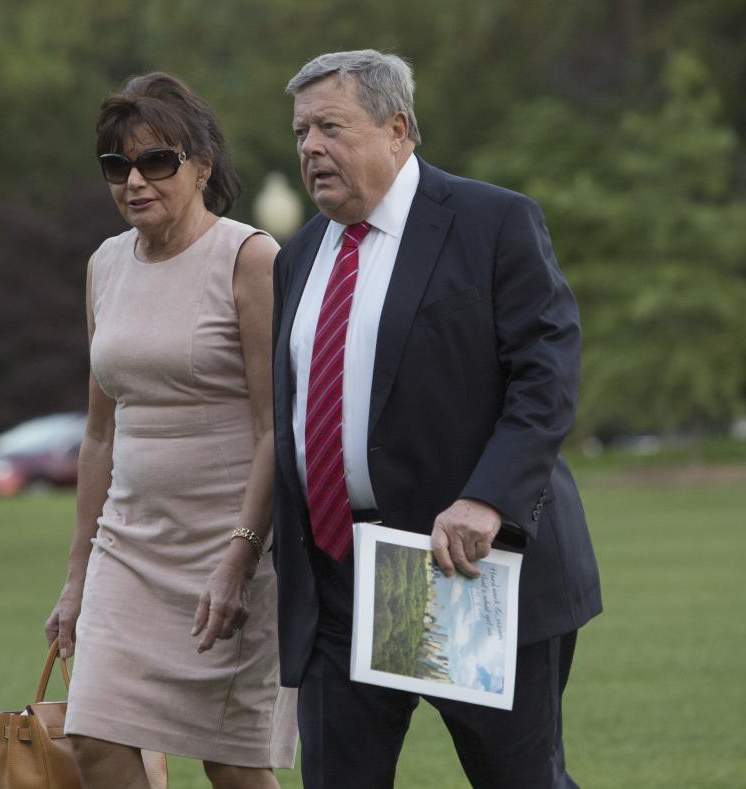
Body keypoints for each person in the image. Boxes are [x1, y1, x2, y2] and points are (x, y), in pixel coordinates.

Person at [271, 50, 602, 788]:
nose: (309, 148)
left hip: (462, 567)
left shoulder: (492, 222)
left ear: (398, 130)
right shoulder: (296, 258)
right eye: (300, 132)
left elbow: (545, 379)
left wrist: (489, 497)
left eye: (331, 127)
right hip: (336, 577)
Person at [45, 72, 297, 789]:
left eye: (157, 161)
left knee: (233, 767)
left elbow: (273, 426)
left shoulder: (249, 258)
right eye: (116, 166)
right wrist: (76, 576)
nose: (135, 181)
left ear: (202, 166)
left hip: (233, 548)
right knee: (95, 738)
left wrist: (241, 556)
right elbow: (99, 437)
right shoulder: (105, 265)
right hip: (130, 548)